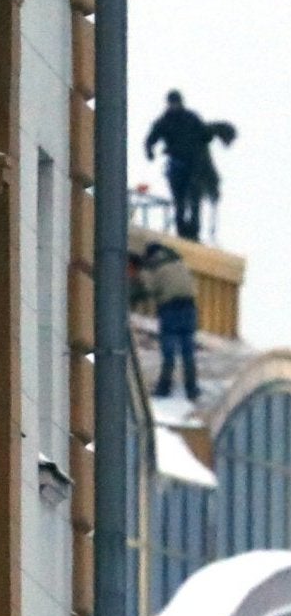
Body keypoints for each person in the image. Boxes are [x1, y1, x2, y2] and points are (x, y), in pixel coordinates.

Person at [145, 91, 235, 240]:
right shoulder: (164, 121)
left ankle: (193, 232)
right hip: (176, 166)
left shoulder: (190, 118)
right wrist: (149, 151)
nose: (174, 106)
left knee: (194, 199)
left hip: (193, 167)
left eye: (176, 103)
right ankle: (182, 231)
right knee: (179, 201)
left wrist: (218, 133)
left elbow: (204, 133)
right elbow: (151, 139)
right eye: (172, 103)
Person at [134, 241, 200, 400]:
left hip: (170, 310)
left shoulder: (154, 267)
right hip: (189, 308)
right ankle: (191, 389)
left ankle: (164, 388)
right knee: (188, 352)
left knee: (169, 353)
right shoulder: (179, 262)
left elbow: (149, 289)